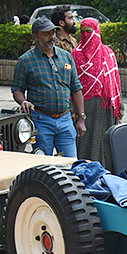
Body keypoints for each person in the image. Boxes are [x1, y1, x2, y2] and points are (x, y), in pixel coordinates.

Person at [12, 16, 85, 156]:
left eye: (53, 33)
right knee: (44, 165)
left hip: (65, 120)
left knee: (71, 163)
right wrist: (23, 102)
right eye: (46, 34)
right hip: (41, 121)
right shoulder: (25, 61)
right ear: (36, 36)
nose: (51, 37)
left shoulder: (66, 57)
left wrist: (81, 118)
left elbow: (76, 88)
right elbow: (17, 89)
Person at [71, 17, 123, 164]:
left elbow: (115, 80)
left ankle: (106, 173)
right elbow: (72, 85)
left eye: (89, 32)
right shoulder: (76, 55)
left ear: (97, 32)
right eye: (82, 32)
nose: (86, 35)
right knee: (86, 142)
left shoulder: (108, 53)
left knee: (105, 141)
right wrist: (74, 110)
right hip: (85, 108)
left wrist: (121, 105)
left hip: (106, 108)